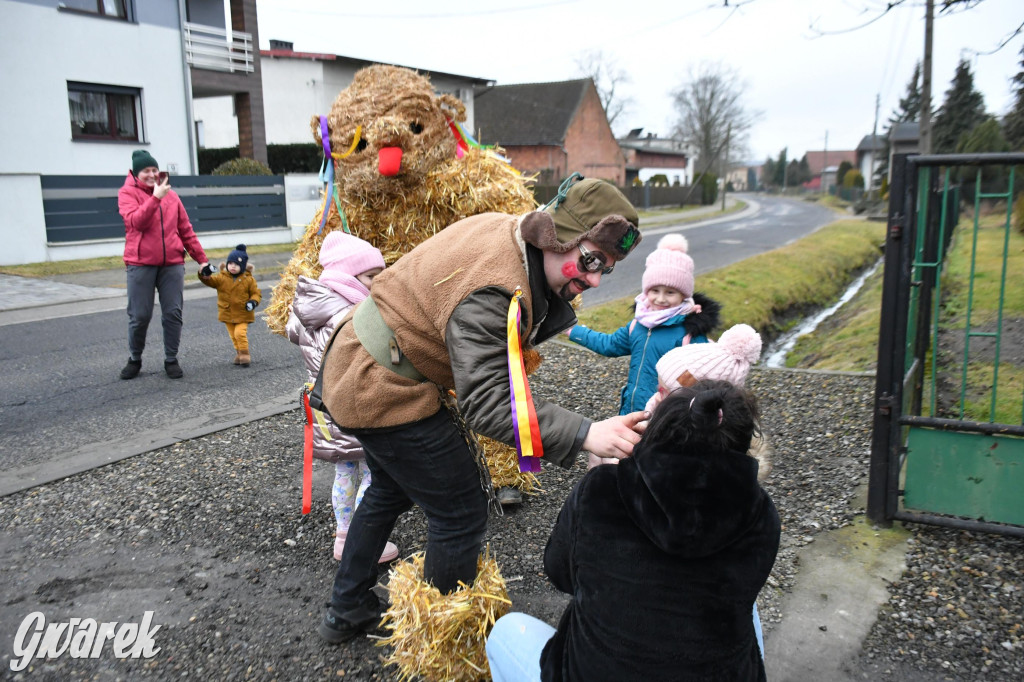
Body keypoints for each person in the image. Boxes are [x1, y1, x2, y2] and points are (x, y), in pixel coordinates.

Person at [316, 174, 647, 644]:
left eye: (605, 269)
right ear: (557, 236)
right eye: (591, 260)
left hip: (366, 365)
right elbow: (488, 402)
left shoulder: (512, 235)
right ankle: (440, 645)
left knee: (390, 488)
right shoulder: (497, 289)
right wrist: (585, 433)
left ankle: (346, 611)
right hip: (380, 383)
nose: (593, 278)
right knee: (461, 508)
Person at [485, 380, 781, 682]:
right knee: (748, 608)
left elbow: (561, 574)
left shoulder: (602, 489)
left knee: (504, 632)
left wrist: (598, 478)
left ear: (659, 427)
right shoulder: (761, 513)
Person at [285, 231, 399, 564]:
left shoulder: (312, 307)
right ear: (347, 276)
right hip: (356, 404)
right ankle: (364, 542)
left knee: (346, 469)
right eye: (369, 276)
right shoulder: (350, 313)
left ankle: (343, 535)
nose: (375, 283)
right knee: (375, 475)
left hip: (325, 405)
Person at [566, 233, 720, 468]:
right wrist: (574, 331)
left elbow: (699, 380)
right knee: (619, 460)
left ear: (684, 295)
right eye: (654, 290)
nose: (660, 298)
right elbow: (608, 344)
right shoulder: (638, 325)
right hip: (631, 410)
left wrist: (674, 395)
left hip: (664, 417)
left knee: (653, 465)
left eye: (670, 292)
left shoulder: (688, 334)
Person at [118, 149, 209, 380]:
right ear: (136, 173)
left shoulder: (172, 196)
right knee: (139, 316)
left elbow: (185, 230)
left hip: (172, 263)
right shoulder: (127, 193)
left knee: (173, 313)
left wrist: (202, 259)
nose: (151, 174)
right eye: (146, 170)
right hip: (140, 264)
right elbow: (136, 222)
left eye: (154, 170)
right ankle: (135, 358)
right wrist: (155, 197)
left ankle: (171, 359)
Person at [645, 323, 772, 481]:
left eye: (664, 391)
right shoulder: (655, 409)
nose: (656, 396)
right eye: (658, 387)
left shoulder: (700, 455)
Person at [198, 244, 262, 367]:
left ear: (242, 266)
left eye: (237, 265)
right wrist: (204, 275)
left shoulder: (248, 279)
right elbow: (210, 281)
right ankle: (238, 353)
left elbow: (256, 293)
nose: (233, 266)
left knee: (240, 334)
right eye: (231, 263)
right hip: (227, 313)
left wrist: (253, 302)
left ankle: (245, 354)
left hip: (243, 313)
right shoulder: (222, 277)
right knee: (233, 336)